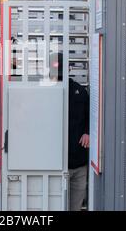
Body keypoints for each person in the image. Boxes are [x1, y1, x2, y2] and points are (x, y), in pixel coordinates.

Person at [49, 53, 89, 211]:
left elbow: (90, 117)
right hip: (52, 165)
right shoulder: (42, 93)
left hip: (78, 163)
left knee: (75, 206)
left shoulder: (80, 92)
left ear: (69, 70)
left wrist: (88, 132)